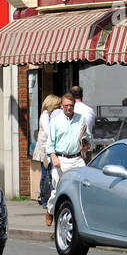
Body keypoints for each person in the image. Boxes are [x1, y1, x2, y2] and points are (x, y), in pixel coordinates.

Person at [45, 93, 89, 226]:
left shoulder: (81, 119)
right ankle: (50, 211)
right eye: (66, 106)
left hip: (77, 158)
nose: (69, 108)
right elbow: (50, 143)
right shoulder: (55, 121)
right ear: (62, 106)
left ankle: (79, 215)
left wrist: (86, 145)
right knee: (58, 189)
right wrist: (53, 157)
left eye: (71, 105)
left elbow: (87, 136)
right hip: (61, 159)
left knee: (84, 186)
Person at [33, 94, 61, 208]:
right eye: (57, 105)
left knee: (48, 174)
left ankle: (46, 199)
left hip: (47, 149)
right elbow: (49, 132)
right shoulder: (45, 116)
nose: (58, 108)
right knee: (46, 175)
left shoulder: (47, 115)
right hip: (45, 150)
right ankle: (45, 199)